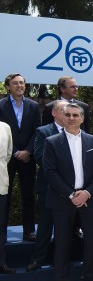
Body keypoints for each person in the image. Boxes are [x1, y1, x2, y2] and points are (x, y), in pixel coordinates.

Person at [43, 103, 93, 281]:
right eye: (67, 114)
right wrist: (72, 195)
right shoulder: (52, 142)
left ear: (82, 118)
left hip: (89, 200)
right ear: (61, 116)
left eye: (75, 115)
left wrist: (86, 192)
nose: (71, 118)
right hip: (62, 201)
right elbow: (50, 173)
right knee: (62, 244)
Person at [26, 100, 68, 272]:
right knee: (45, 226)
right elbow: (39, 157)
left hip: (70, 189)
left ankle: (61, 260)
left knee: (65, 228)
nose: (67, 115)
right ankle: (38, 258)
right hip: (48, 187)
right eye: (63, 111)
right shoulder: (43, 132)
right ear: (54, 113)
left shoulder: (77, 132)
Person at [0, 73, 40, 242]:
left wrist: (28, 151)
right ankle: (2, 230)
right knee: (5, 196)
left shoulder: (33, 105)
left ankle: (28, 231)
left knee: (28, 195)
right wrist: (15, 151)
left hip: (27, 157)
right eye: (15, 83)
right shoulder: (1, 105)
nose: (19, 86)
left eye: (22, 83)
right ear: (8, 87)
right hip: (8, 158)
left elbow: (37, 131)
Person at [0, 121, 13, 274]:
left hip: (1, 182)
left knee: (1, 225)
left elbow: (8, 154)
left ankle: (1, 262)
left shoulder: (5, 127)